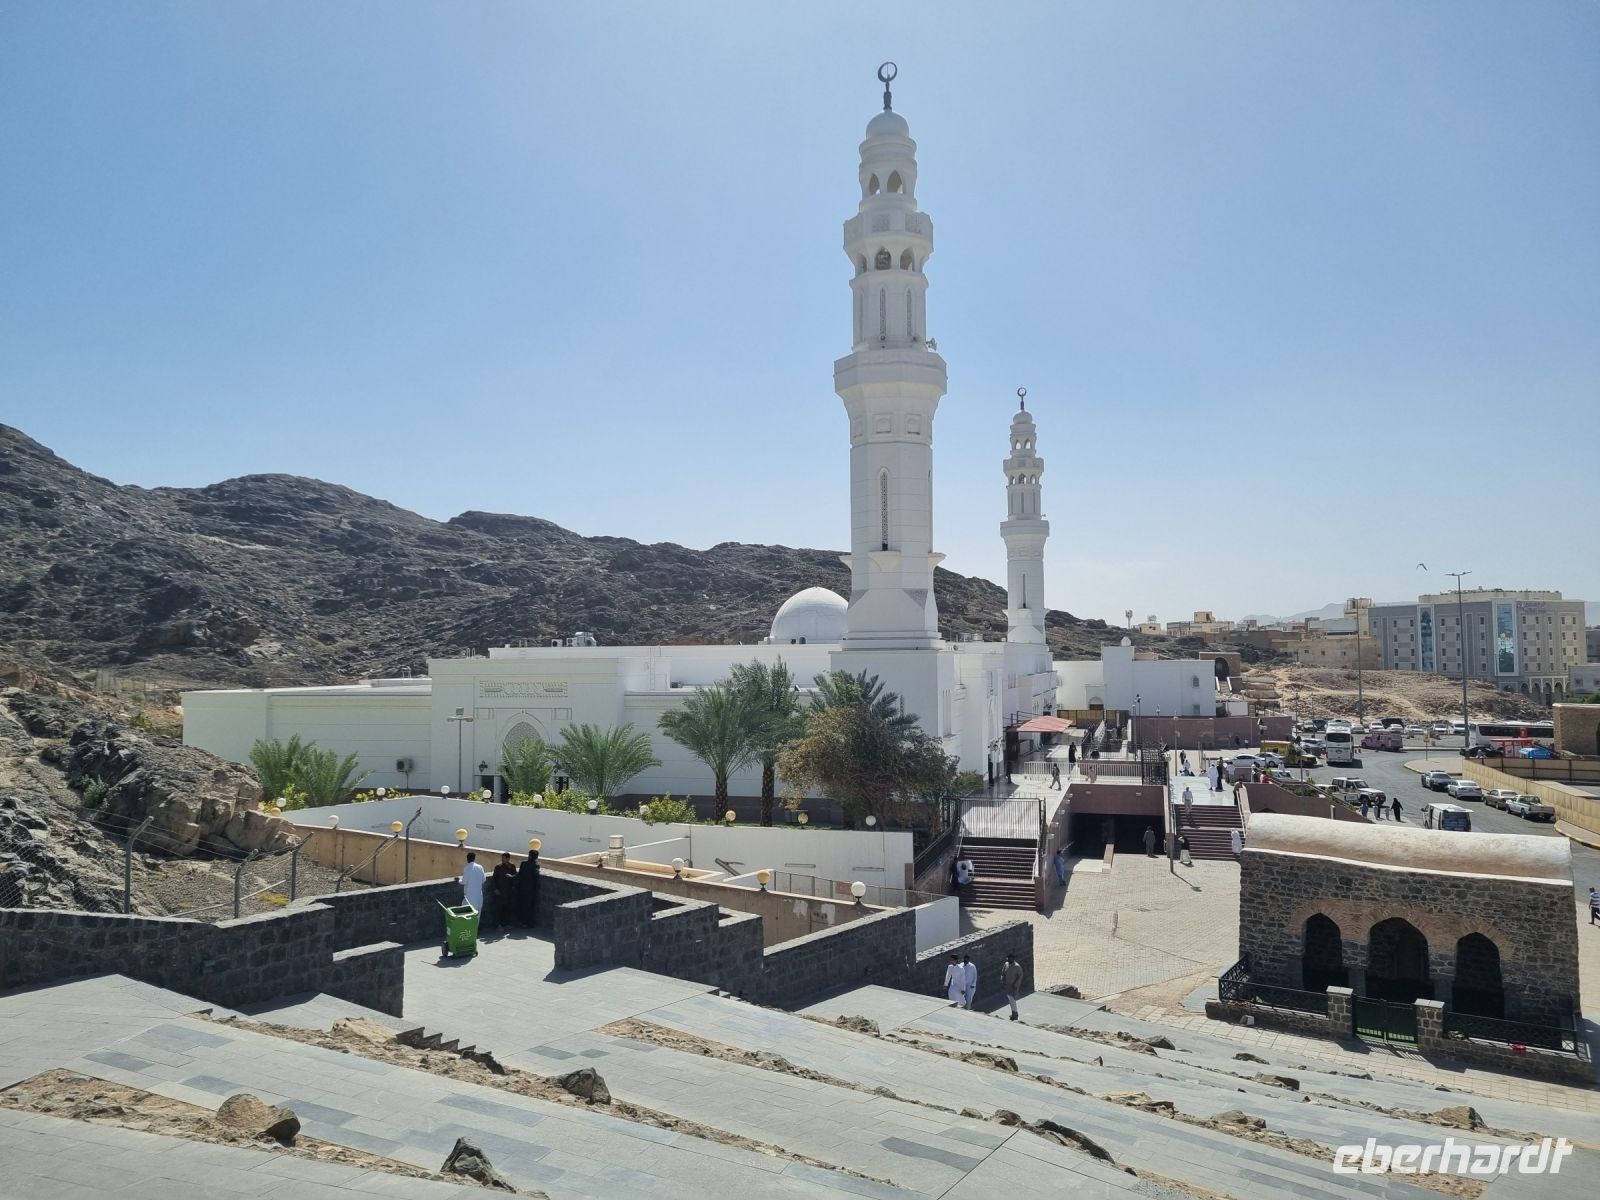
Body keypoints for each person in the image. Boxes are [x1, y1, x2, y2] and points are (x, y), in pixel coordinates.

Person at [489, 853, 517, 930]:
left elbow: (516, 876)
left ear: (508, 859)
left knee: (507, 908)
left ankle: (506, 924)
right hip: (500, 891)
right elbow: (494, 879)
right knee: (499, 909)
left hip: (508, 891)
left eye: (504, 858)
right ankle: (498, 925)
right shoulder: (498, 867)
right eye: (502, 858)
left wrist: (511, 876)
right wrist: (495, 889)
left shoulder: (512, 866)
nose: (502, 860)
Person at [515, 847, 541, 927]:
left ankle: (521, 921)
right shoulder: (536, 865)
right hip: (530, 890)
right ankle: (527, 923)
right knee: (529, 906)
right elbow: (536, 877)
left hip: (522, 887)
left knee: (521, 904)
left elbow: (519, 874)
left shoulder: (523, 863)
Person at [1002, 954, 1024, 1021]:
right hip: (1007, 985)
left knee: (1012, 999)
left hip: (1013, 986)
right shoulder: (1006, 964)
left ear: (1013, 959)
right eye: (1008, 958)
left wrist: (1016, 985)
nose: (1009, 960)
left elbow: (1020, 976)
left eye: (1011, 958)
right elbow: (1003, 972)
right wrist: (1002, 978)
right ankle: (1013, 1013)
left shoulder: (1017, 966)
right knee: (1010, 998)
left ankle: (1015, 1014)